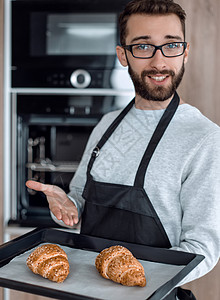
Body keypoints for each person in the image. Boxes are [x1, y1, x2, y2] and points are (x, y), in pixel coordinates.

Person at [26, 0, 220, 299]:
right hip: (84, 290)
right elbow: (79, 201)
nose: (159, 62)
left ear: (185, 52)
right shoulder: (107, 124)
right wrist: (68, 208)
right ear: (123, 55)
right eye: (143, 47)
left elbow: (203, 249)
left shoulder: (204, 138)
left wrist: (130, 276)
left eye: (171, 46)